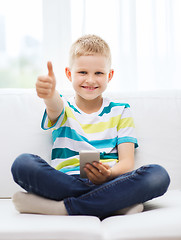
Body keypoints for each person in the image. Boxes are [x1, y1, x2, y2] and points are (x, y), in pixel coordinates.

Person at [11, 34, 170, 218]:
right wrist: (49, 94)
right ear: (69, 74)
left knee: (158, 175)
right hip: (66, 182)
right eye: (83, 72)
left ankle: (63, 208)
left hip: (110, 182)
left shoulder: (121, 111)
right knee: (22, 163)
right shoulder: (64, 108)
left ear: (109, 75)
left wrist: (108, 174)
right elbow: (54, 106)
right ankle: (113, 204)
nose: (91, 80)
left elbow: (127, 162)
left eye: (99, 73)